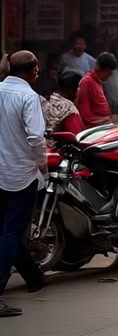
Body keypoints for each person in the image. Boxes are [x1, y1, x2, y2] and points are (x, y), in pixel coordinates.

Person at [0, 51, 48, 317]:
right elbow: (35, 136)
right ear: (33, 71)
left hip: (1, 172)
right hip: (21, 175)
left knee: (7, 230)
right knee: (11, 233)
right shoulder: (28, 96)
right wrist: (42, 163)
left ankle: (33, 277)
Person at [75, 53, 118, 128]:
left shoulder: (98, 82)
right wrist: (105, 120)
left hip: (103, 125)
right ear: (100, 68)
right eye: (108, 72)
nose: (109, 75)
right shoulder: (87, 82)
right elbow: (85, 115)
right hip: (93, 129)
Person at [41, 70, 84, 136]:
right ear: (71, 89)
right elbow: (78, 135)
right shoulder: (69, 108)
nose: (80, 89)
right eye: (78, 86)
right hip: (57, 145)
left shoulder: (50, 98)